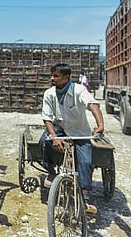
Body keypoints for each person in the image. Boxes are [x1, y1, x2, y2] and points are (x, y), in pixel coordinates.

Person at [39, 63, 104, 214]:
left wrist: (100, 125)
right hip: (59, 128)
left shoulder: (79, 90)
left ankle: (85, 195)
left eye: (56, 75)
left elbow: (93, 105)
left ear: (66, 77)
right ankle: (51, 170)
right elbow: (47, 117)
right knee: (44, 141)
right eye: (52, 75)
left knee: (86, 160)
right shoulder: (49, 93)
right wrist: (54, 136)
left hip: (79, 130)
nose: (52, 78)